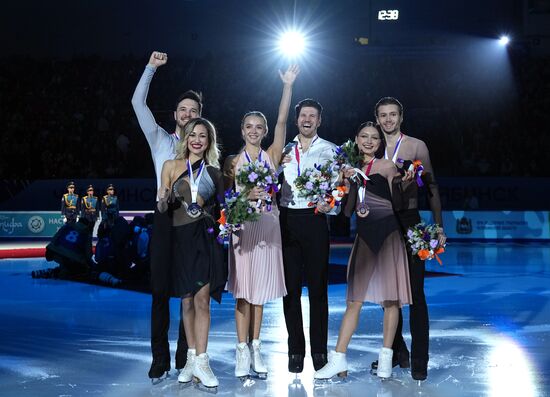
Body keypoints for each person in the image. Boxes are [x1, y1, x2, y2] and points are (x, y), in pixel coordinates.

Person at [314, 122, 413, 380]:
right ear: (356, 140)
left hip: (389, 235)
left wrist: (406, 183)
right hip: (365, 238)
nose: (369, 141)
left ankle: (385, 358)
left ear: (380, 143)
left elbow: (399, 205)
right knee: (353, 301)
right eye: (364, 137)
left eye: (374, 138)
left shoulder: (388, 167)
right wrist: (342, 183)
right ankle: (338, 358)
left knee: (391, 300)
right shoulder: (352, 170)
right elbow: (347, 212)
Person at [222, 65, 299, 379]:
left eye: (259, 127)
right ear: (242, 131)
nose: (254, 131)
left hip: (268, 227)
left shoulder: (272, 154)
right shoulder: (232, 162)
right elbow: (225, 204)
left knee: (260, 294)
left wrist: (288, 86)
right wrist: (244, 196)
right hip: (243, 229)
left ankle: (256, 348)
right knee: (243, 293)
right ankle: (242, 351)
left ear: (264, 131)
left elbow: (282, 119)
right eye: (249, 127)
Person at [131, 51, 202, 380]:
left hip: (191, 220)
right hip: (162, 216)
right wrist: (150, 69)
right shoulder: (159, 137)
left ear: (200, 118)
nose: (188, 115)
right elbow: (137, 104)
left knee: (188, 290)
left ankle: (185, 356)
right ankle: (159, 357)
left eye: (194, 112)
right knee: (160, 291)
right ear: (175, 114)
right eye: (183, 110)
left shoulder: (203, 150)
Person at [372, 97, 447, 381]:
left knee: (415, 294)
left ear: (401, 117)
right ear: (377, 118)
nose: (388, 120)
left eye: (393, 114)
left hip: (410, 222)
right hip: (380, 225)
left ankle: (419, 360)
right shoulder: (373, 146)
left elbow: (432, 187)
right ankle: (398, 351)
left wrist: (438, 226)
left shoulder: (417, 146)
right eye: (383, 115)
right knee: (388, 296)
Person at [157, 117, 225, 389]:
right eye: (192, 135)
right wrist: (163, 199)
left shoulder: (214, 172)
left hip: (205, 240)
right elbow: (163, 208)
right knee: (186, 302)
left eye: (203, 136)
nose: (197, 140)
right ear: (185, 139)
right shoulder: (170, 167)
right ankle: (191, 359)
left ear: (209, 142)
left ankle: (203, 361)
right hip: (180, 241)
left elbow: (225, 209)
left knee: (202, 301)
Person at [279, 98, 339, 373]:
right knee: (290, 289)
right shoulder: (282, 149)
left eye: (312, 116)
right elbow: (268, 182)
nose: (307, 119)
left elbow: (340, 187)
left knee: (318, 290)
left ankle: (318, 351)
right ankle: (295, 351)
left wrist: (332, 203)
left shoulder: (330, 150)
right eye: (303, 115)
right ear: (296, 120)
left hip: (315, 220)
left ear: (319, 121)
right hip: (287, 220)